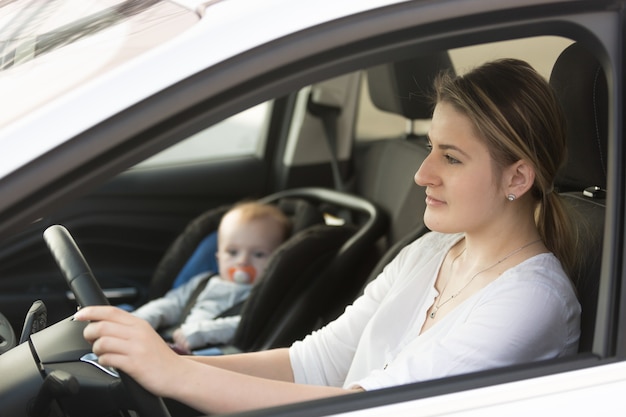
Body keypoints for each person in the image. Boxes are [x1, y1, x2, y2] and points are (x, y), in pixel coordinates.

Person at [75, 58, 581, 415]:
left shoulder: (530, 301)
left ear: (517, 178)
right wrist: (169, 363)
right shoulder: (432, 251)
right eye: (429, 148)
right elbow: (316, 362)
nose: (422, 173)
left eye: (451, 157)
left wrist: (175, 374)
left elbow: (371, 406)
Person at [132, 201, 292, 353]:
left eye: (258, 254)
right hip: (174, 344)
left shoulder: (264, 296)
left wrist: (203, 332)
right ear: (218, 257)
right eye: (232, 252)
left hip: (215, 357)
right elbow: (171, 303)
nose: (242, 261)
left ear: (275, 260)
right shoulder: (203, 282)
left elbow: (245, 325)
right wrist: (143, 319)